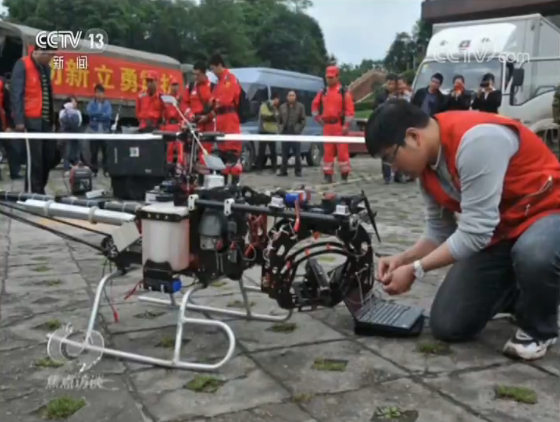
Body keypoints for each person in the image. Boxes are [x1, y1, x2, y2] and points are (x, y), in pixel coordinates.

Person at [364, 99, 560, 361]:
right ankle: (523, 292)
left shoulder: (476, 141)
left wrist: (415, 270)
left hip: (547, 212)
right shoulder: (427, 168)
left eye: (390, 158)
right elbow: (439, 232)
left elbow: (476, 232)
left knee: (534, 254)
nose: (393, 168)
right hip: (501, 232)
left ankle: (540, 329)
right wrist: (403, 259)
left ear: (413, 137)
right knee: (448, 324)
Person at [11, 43, 57, 194]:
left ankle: (39, 189)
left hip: (46, 121)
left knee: (49, 158)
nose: (52, 58)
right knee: (35, 161)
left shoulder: (46, 68)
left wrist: (53, 119)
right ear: (40, 51)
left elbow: (48, 94)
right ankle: (34, 193)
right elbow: (16, 94)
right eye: (50, 55)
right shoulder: (23, 64)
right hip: (31, 120)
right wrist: (19, 121)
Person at [312, 65, 355, 183]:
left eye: (331, 77)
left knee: (342, 152)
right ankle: (328, 174)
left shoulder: (344, 92)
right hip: (327, 126)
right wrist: (318, 119)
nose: (329, 80)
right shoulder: (323, 92)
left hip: (339, 125)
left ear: (337, 77)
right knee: (328, 152)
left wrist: (346, 125)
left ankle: (344, 173)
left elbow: (350, 110)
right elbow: (314, 106)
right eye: (327, 77)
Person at [209, 53, 243, 185]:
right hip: (220, 119)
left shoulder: (230, 79)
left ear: (219, 65)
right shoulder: (219, 82)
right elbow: (212, 100)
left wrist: (216, 101)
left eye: (213, 68)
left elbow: (225, 99)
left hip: (230, 119)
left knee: (232, 153)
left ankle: (234, 186)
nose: (213, 72)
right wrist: (215, 102)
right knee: (222, 155)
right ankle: (222, 186)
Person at [184, 61, 214, 177]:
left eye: (198, 74)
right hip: (193, 123)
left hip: (207, 124)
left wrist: (207, 117)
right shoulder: (190, 86)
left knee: (205, 152)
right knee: (188, 151)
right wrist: (190, 115)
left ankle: (203, 178)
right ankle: (189, 176)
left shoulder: (212, 87)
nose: (195, 77)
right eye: (194, 74)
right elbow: (184, 103)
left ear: (204, 73)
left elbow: (216, 107)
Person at [372, 74, 400, 183]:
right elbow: (374, 108)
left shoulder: (399, 95)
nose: (390, 86)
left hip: (397, 126)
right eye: (389, 83)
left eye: (392, 84)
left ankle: (398, 175)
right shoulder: (381, 96)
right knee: (385, 152)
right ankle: (387, 176)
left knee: (398, 151)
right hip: (384, 126)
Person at [278, 90, 306, 177]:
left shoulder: (300, 106)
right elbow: (279, 119)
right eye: (289, 95)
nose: (291, 97)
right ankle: (283, 170)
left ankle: (298, 171)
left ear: (295, 97)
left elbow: (303, 120)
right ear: (287, 97)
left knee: (297, 153)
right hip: (285, 132)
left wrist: (298, 129)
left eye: (293, 95)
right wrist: (280, 128)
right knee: (284, 153)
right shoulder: (282, 107)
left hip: (295, 132)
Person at [86, 84, 112, 176]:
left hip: (105, 132)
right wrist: (101, 115)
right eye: (97, 92)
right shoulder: (91, 103)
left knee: (106, 153)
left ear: (104, 94)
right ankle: (94, 171)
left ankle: (106, 170)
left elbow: (108, 116)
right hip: (94, 131)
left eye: (101, 93)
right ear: (95, 93)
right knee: (93, 152)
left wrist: (96, 116)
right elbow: (90, 113)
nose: (99, 94)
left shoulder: (107, 104)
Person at [0, 75, 21, 180]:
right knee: (11, 148)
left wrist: (9, 126)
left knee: (11, 148)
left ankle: (14, 172)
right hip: (3, 124)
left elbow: (7, 108)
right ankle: (14, 173)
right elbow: (8, 108)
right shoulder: (3, 86)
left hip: (3, 123)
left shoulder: (2, 86)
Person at [256, 93, 280, 173]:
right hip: (264, 131)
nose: (278, 102)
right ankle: (259, 168)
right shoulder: (264, 106)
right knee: (261, 151)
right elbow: (265, 116)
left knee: (273, 151)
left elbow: (277, 117)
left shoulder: (274, 108)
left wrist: (274, 116)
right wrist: (273, 116)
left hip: (272, 132)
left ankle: (274, 168)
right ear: (274, 99)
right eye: (277, 100)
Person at [59, 95, 83, 174]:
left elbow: (79, 123)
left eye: (75, 102)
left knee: (76, 151)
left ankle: (76, 167)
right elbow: (61, 121)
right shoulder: (63, 112)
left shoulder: (78, 112)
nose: (73, 103)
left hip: (75, 133)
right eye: (72, 102)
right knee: (67, 151)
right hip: (66, 134)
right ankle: (66, 168)